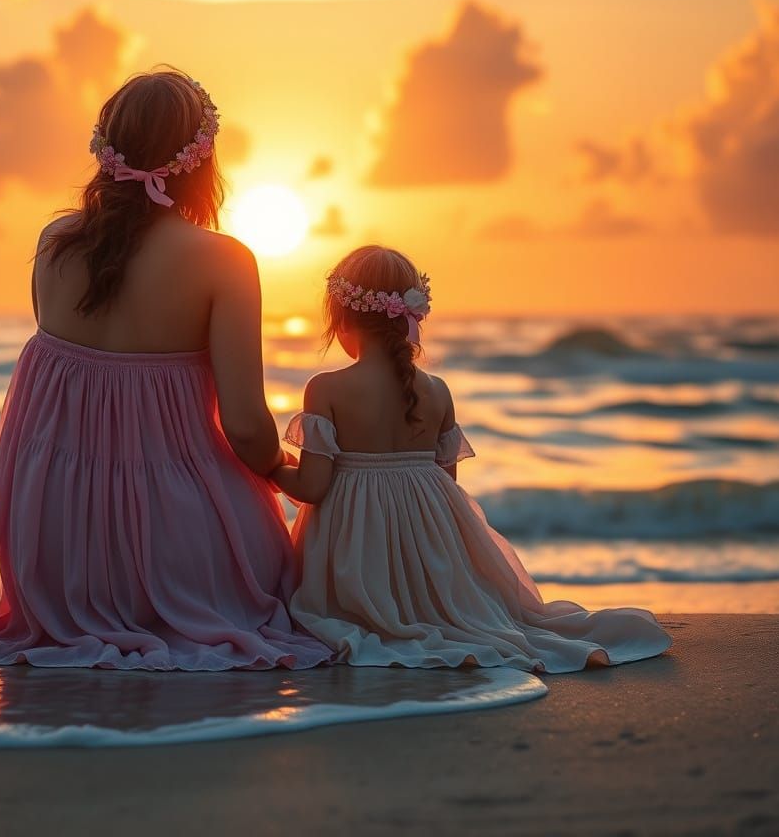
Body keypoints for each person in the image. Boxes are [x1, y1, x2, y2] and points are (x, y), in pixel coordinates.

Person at [0, 67, 331, 671]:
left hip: (52, 552)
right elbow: (244, 426)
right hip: (175, 547)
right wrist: (285, 474)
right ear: (202, 159)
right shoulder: (223, 260)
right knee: (283, 564)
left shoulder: (54, 242)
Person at [271, 244, 672, 673]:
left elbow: (314, 487)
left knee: (347, 621)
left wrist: (273, 468)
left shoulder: (326, 388)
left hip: (358, 561)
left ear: (343, 318)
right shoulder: (438, 390)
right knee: (470, 621)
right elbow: (448, 491)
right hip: (430, 557)